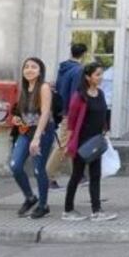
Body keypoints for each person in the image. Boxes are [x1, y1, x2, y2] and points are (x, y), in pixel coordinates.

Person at [62, 61, 116, 221]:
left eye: (101, 74)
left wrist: (105, 131)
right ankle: (68, 210)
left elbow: (103, 114)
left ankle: (96, 210)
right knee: (76, 175)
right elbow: (71, 122)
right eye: (97, 74)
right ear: (88, 77)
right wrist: (69, 142)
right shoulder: (79, 96)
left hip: (96, 140)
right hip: (82, 141)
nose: (100, 77)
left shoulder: (100, 94)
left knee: (95, 175)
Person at [10, 57, 55, 218]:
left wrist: (36, 138)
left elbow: (45, 113)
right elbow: (22, 112)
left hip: (42, 132)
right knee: (15, 166)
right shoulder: (23, 87)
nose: (29, 70)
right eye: (26, 67)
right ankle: (30, 197)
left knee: (38, 169)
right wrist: (17, 119)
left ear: (40, 71)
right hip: (25, 130)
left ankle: (43, 205)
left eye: (33, 67)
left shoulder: (43, 87)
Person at [46, 42, 88, 186]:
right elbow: (76, 94)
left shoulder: (63, 69)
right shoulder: (79, 71)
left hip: (63, 110)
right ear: (84, 54)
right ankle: (48, 176)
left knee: (70, 143)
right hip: (71, 112)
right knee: (64, 145)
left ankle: (78, 175)